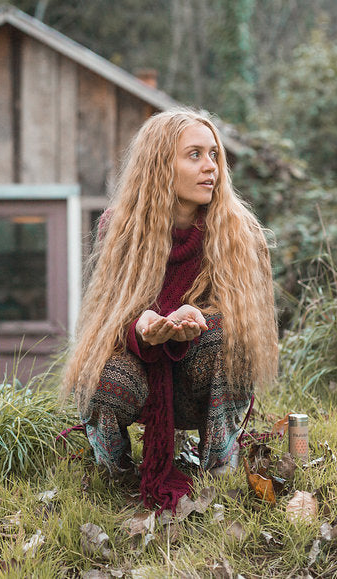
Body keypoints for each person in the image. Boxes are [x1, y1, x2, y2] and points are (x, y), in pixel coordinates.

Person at [61, 108, 278, 513]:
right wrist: (140, 323)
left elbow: (246, 326)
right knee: (94, 368)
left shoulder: (237, 230)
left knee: (228, 336)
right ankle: (115, 472)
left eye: (214, 154)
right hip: (142, 375)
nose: (210, 166)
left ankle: (218, 466)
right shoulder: (120, 226)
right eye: (194, 155)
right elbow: (103, 320)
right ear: (161, 164)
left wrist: (191, 320)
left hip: (200, 384)